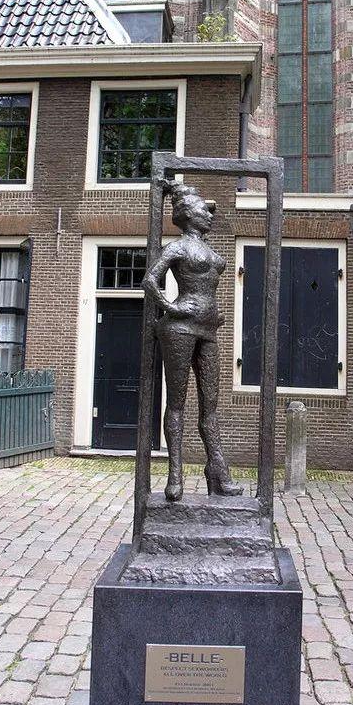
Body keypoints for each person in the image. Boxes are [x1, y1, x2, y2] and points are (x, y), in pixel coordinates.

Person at [142, 181, 243, 501]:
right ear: (187, 214)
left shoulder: (211, 252)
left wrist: (215, 314)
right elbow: (150, 280)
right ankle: (175, 475)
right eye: (204, 210)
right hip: (180, 329)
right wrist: (172, 308)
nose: (210, 215)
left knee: (210, 406)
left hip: (208, 331)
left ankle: (218, 471)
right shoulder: (177, 248)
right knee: (177, 402)